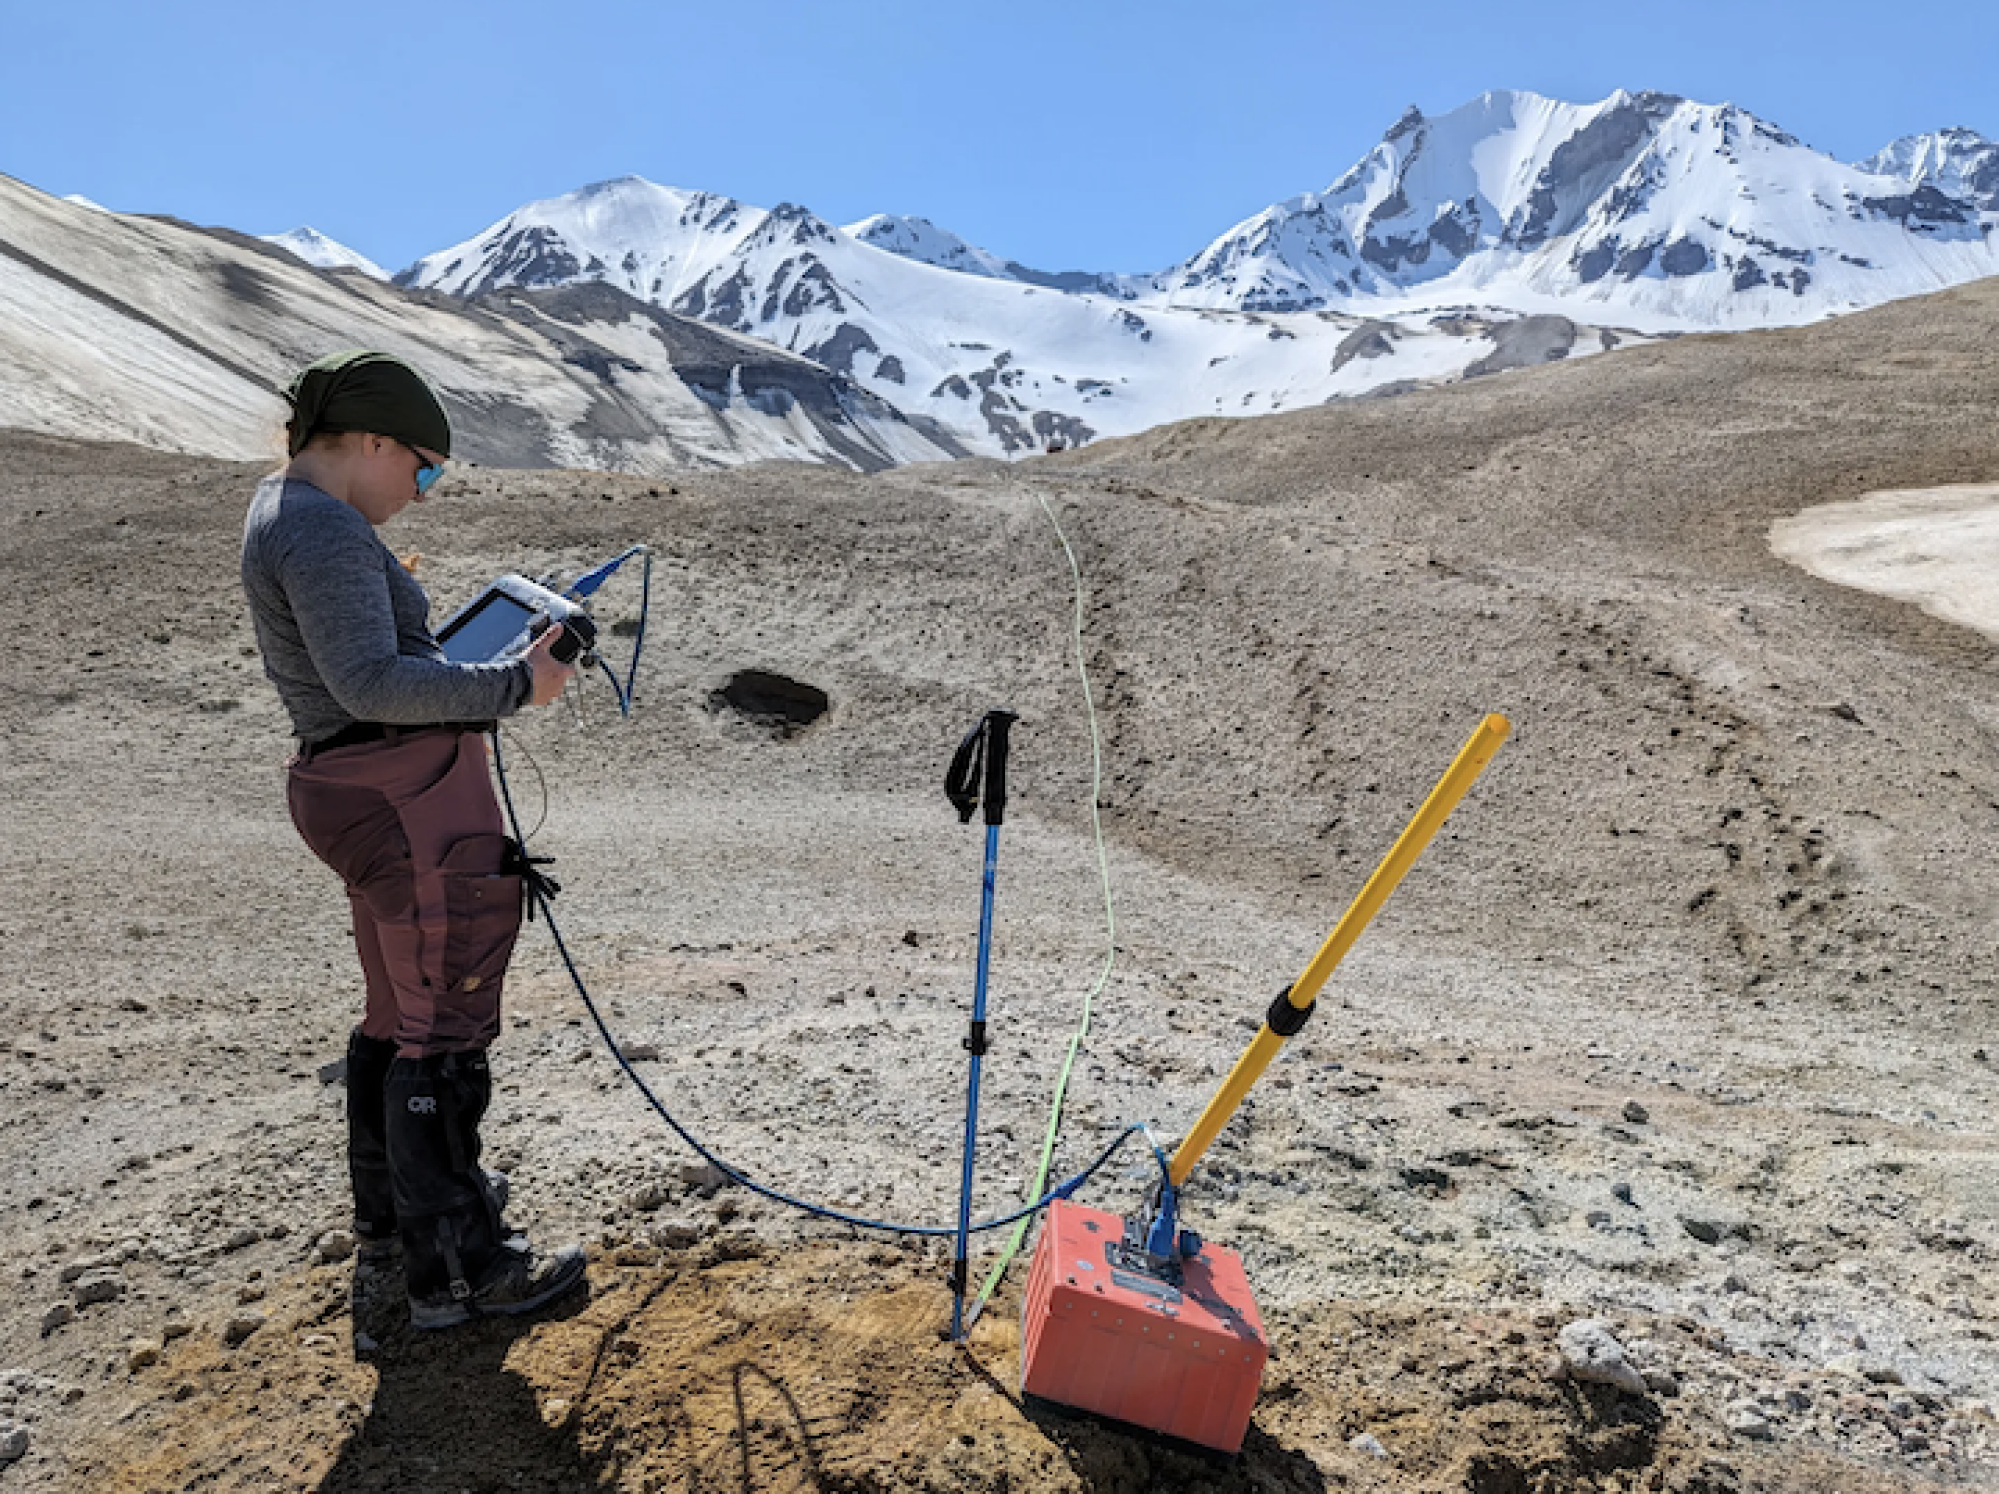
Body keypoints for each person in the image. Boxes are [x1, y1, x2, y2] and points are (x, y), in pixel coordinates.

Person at [241, 349, 587, 1330]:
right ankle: (464, 1272)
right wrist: (520, 684)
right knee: (444, 1016)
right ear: (374, 442)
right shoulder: (321, 532)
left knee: (397, 1015)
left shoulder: (290, 513)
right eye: (426, 469)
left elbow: (371, 666)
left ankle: (397, 1224)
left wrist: (436, 646)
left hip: (357, 788)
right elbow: (371, 686)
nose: (426, 492)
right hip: (398, 795)